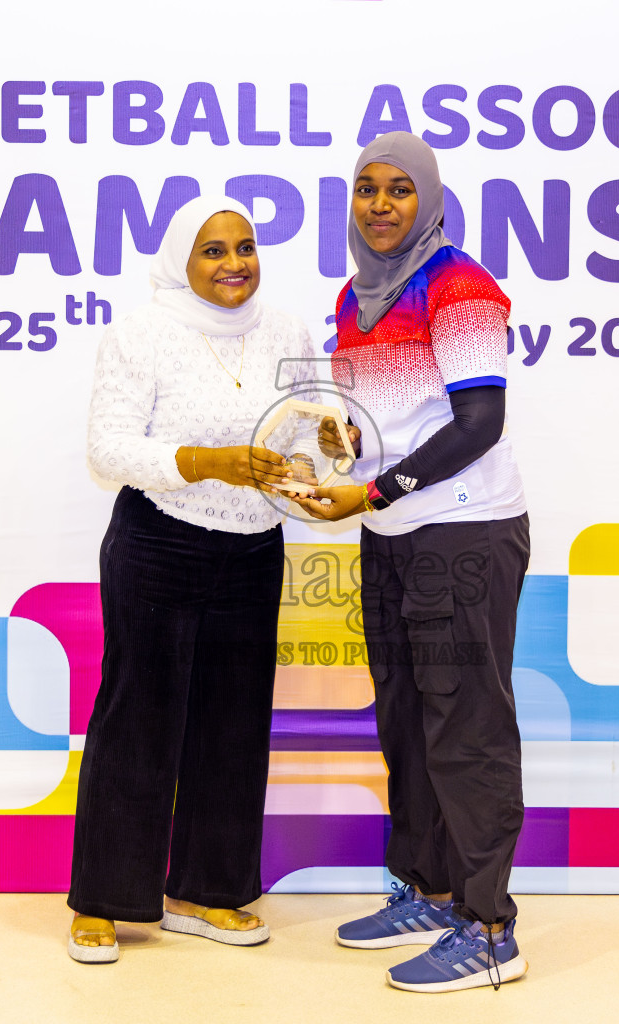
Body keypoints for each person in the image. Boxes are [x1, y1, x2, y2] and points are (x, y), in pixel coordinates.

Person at [291, 132, 531, 993]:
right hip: (391, 532)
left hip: (461, 535)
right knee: (407, 722)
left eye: (399, 190)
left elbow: (477, 424)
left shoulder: (458, 286)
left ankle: (490, 927)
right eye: (366, 190)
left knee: (465, 728)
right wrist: (344, 443)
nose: (381, 205)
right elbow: (395, 414)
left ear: (428, 199)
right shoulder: (356, 294)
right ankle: (429, 890)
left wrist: (376, 488)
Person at [67, 195, 313, 963]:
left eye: (245, 246)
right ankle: (106, 900)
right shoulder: (142, 332)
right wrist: (208, 464)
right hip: (159, 544)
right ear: (182, 259)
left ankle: (208, 891)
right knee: (137, 720)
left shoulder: (286, 328)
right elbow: (108, 450)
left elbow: (300, 424)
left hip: (254, 545)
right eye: (214, 250)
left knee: (234, 726)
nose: (235, 263)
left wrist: (309, 455)